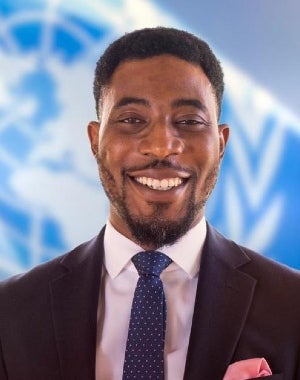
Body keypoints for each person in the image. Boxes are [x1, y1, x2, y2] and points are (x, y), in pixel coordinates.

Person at [0, 27, 299, 380]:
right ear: (95, 140)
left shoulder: (292, 307)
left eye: (189, 121)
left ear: (221, 143)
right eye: (131, 120)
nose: (161, 146)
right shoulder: (10, 312)